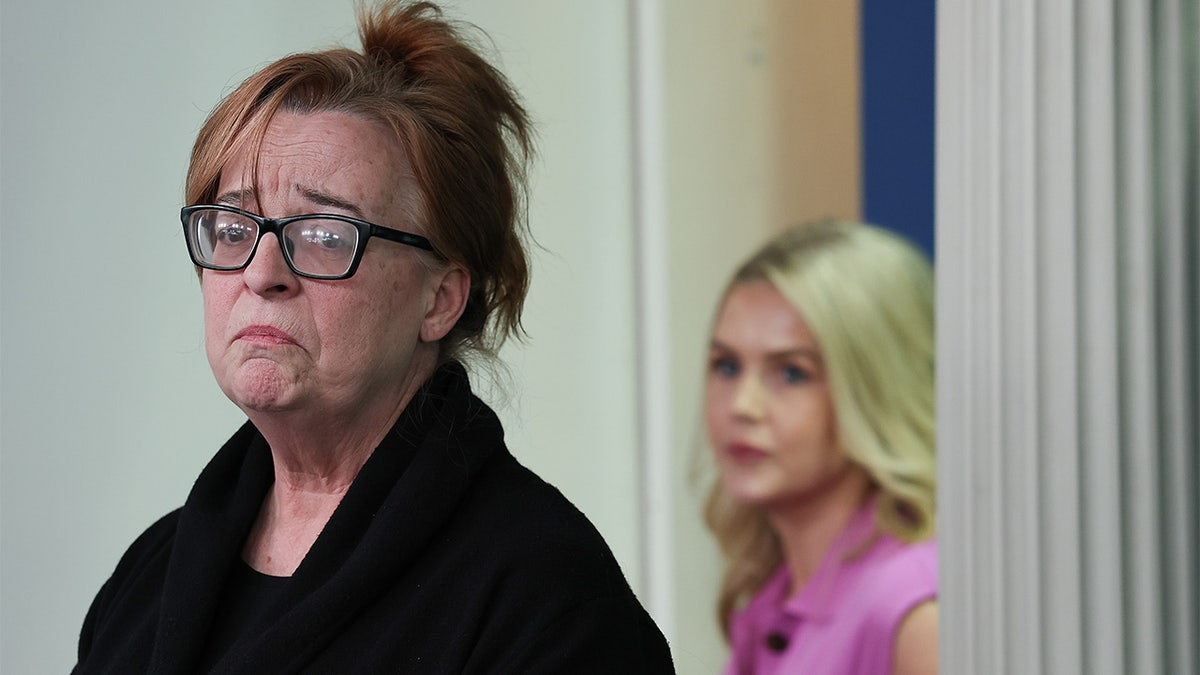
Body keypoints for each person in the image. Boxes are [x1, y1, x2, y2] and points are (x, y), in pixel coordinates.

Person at [72, 2, 674, 672]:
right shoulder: (148, 579)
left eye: (326, 236)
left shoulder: (546, 597)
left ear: (440, 299)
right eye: (234, 229)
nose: (262, 272)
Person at [703, 219, 937, 675]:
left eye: (791, 373)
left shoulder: (913, 611)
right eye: (726, 365)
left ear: (878, 389)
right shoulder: (770, 591)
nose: (743, 405)